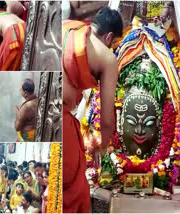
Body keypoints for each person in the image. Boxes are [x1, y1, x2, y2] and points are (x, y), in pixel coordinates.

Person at [62, 7, 122, 213]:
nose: (112, 49)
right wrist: (103, 148)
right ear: (109, 37)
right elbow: (106, 122)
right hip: (60, 123)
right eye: (114, 44)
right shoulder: (107, 58)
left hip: (36, 110)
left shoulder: (66, 27)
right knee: (74, 191)